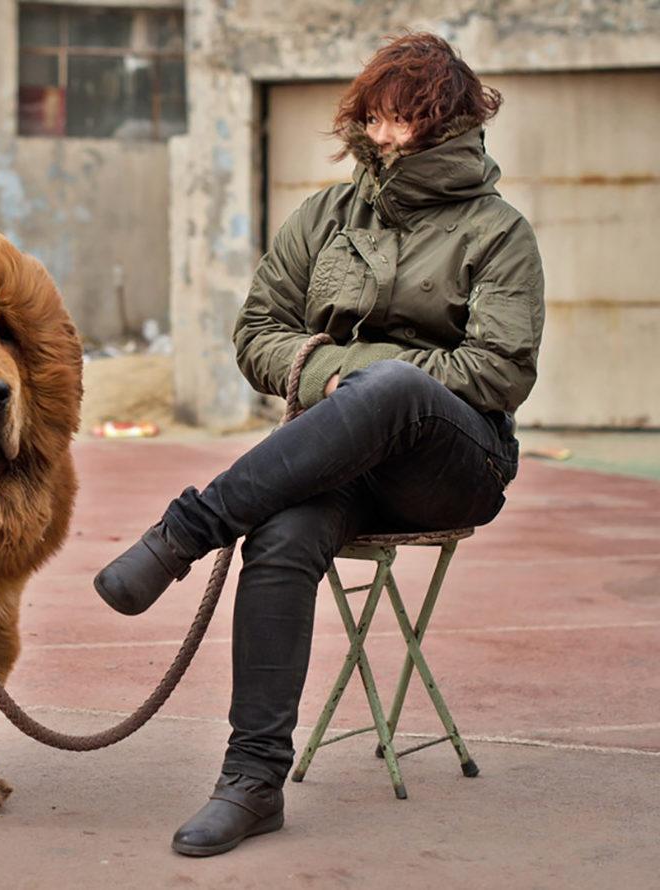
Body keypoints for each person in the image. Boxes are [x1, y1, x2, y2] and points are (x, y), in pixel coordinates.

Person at [95, 32, 544, 857]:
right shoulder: (325, 218)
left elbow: (499, 370)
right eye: (371, 116)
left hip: (454, 465)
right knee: (283, 532)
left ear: (448, 122)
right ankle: (252, 781)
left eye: (402, 119)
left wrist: (359, 374)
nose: (380, 135)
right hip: (341, 459)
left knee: (400, 389)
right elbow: (256, 333)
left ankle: (187, 531)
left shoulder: (497, 232)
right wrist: (337, 382)